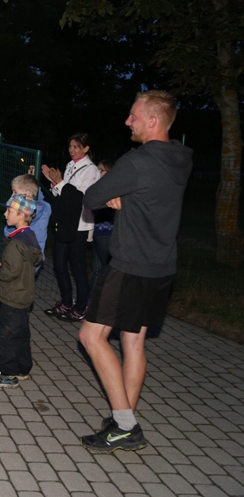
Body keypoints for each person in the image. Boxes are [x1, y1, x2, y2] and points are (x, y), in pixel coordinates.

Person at [77, 90, 192, 453]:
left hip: (130, 265)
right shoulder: (181, 158)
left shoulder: (137, 162)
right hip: (162, 266)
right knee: (133, 342)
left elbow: (91, 197)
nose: (128, 121)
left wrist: (115, 194)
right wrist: (124, 195)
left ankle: (126, 424)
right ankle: (123, 419)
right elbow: (148, 195)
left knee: (91, 337)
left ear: (153, 121)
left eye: (134, 116)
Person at [0, 194, 42, 388]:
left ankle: (7, 373)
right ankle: (22, 368)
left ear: (22, 215)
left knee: (7, 336)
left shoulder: (16, 243)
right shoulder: (29, 237)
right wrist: (5, 265)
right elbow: (20, 266)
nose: (5, 214)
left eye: (9, 211)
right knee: (21, 333)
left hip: (13, 296)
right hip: (24, 294)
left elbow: (9, 273)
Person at [42, 133, 99, 322]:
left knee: (78, 268)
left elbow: (78, 198)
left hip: (80, 224)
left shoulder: (90, 170)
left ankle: (81, 308)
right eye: (70, 146)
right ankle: (66, 303)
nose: (72, 150)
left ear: (86, 149)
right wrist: (54, 182)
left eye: (76, 147)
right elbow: (61, 194)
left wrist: (60, 182)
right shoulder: (69, 165)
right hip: (65, 222)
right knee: (59, 265)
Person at [3, 173, 51, 274]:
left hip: (28, 257)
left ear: (28, 194)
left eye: (15, 192)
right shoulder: (42, 207)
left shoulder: (33, 211)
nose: (12, 195)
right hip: (28, 254)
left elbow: (9, 231)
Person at [87, 160, 115, 295]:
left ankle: (101, 300)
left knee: (105, 269)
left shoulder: (112, 189)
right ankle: (89, 301)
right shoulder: (98, 188)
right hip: (97, 232)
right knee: (98, 269)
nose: (97, 173)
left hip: (106, 232)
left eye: (101, 170)